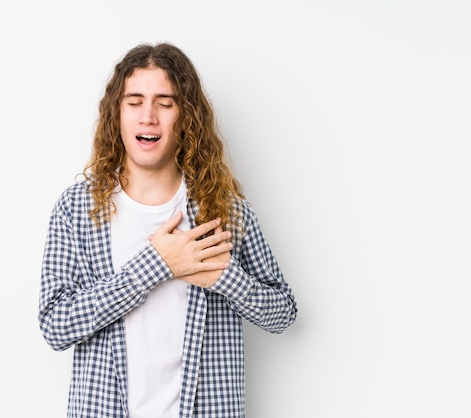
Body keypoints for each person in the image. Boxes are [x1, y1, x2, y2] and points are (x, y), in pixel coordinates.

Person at [38, 42, 297, 418]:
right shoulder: (78, 208)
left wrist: (225, 278)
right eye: (134, 101)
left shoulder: (223, 210)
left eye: (165, 102)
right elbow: (55, 325)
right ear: (117, 113)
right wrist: (158, 264)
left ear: (185, 116)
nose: (148, 116)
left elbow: (284, 313)